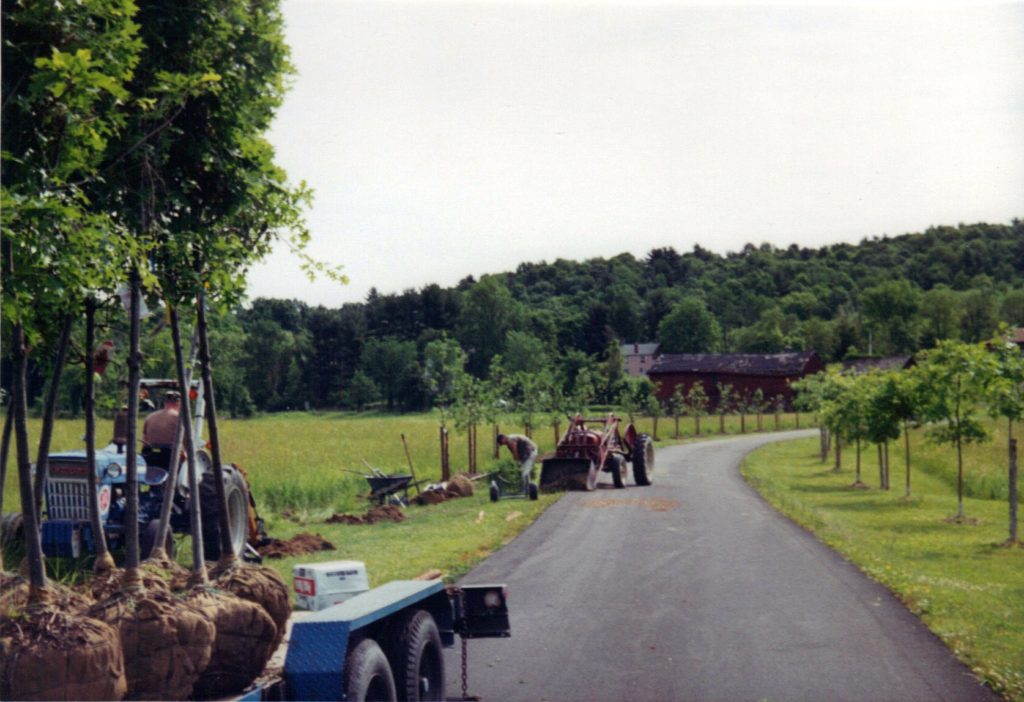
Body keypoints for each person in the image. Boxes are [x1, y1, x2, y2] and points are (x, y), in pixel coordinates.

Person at [142, 391, 181, 469]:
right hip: (169, 457)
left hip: (150, 456)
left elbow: (144, 439)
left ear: (165, 402)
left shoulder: (150, 417)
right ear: (178, 403)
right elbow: (186, 441)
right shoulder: (179, 417)